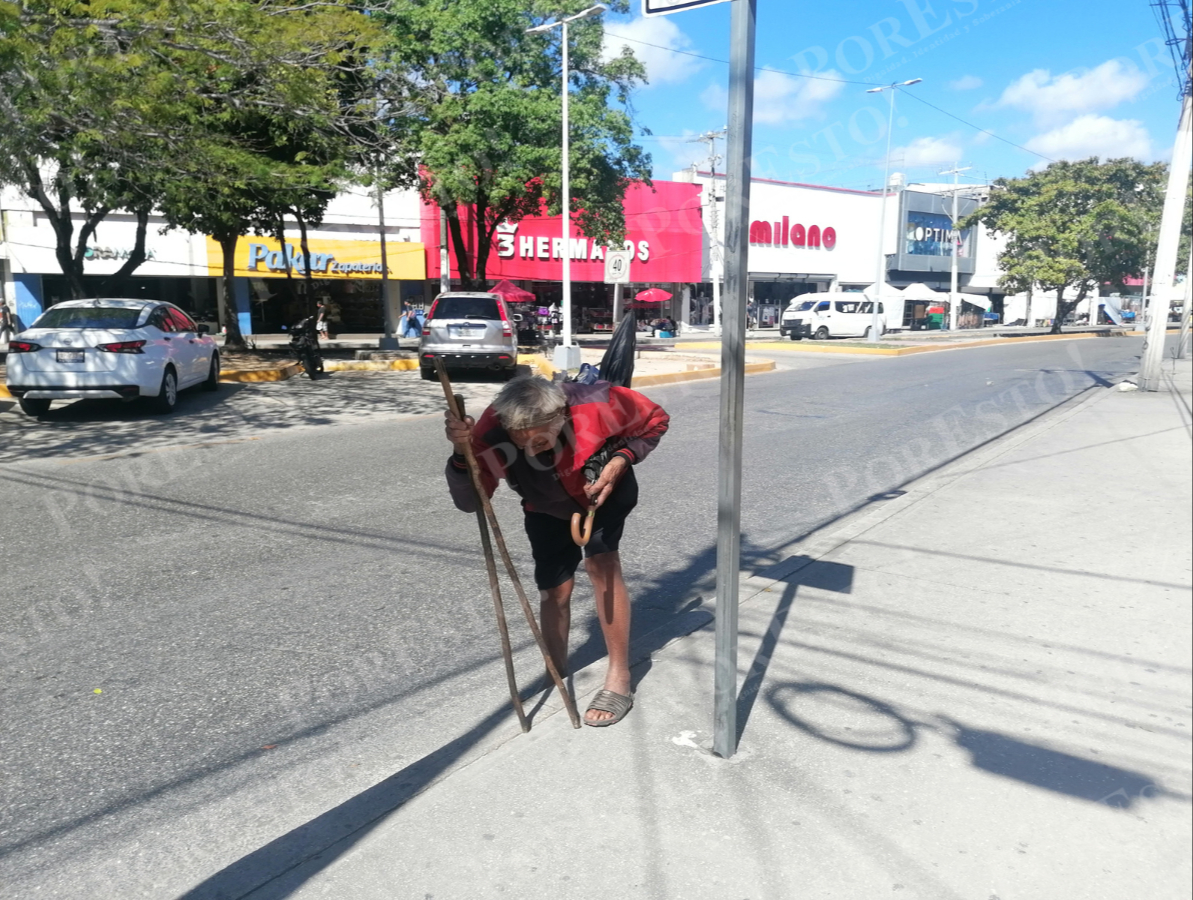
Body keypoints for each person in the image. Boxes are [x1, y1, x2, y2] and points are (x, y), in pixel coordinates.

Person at [443, 375, 669, 727]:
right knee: (554, 589)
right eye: (521, 442)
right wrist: (462, 452)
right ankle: (556, 669)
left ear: (561, 415)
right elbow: (472, 500)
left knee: (602, 568)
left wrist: (621, 459)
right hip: (544, 505)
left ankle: (619, 676)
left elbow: (655, 419)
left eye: (539, 441)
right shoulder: (491, 430)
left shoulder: (595, 401)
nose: (531, 451)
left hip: (602, 493)